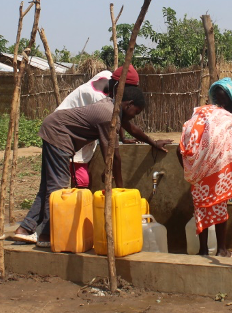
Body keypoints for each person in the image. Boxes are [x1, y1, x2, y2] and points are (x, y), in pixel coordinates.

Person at [13, 85, 148, 247]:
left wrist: (152, 142)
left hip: (53, 128)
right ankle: (47, 235)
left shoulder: (110, 107)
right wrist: (120, 189)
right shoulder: (108, 116)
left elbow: (128, 130)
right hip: (58, 136)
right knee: (58, 188)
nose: (134, 116)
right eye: (136, 112)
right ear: (129, 105)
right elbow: (113, 156)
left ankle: (25, 228)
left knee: (47, 186)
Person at [57, 67, 168, 188]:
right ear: (118, 85)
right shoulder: (99, 100)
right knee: (80, 182)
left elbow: (120, 120)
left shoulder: (108, 78)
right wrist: (118, 185)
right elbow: (114, 153)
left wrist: (125, 138)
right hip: (64, 134)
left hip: (74, 132)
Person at [178, 82, 232, 258]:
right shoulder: (228, 119)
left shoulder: (202, 116)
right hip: (219, 171)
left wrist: (194, 170)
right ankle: (222, 250)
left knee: (201, 209)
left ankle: (203, 250)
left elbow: (183, 148)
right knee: (220, 207)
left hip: (199, 174)